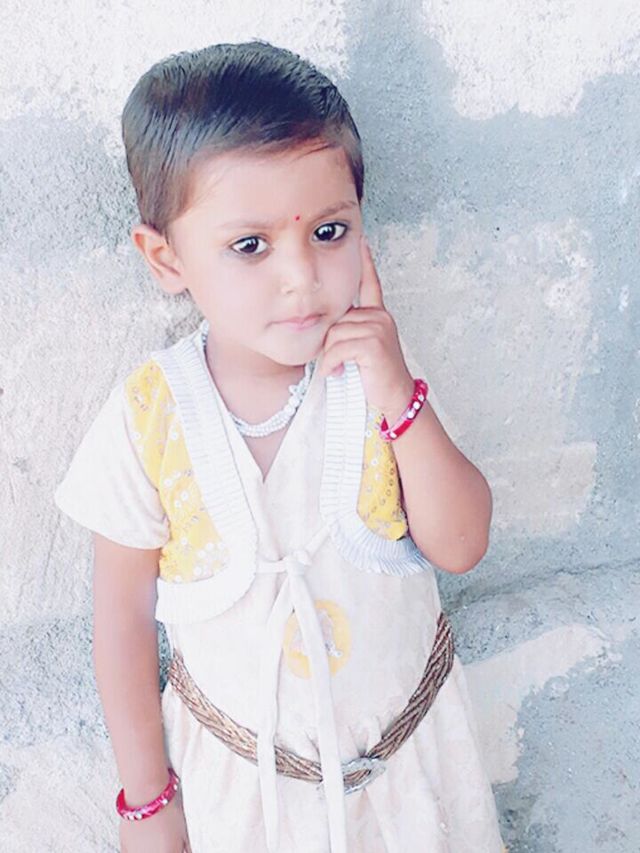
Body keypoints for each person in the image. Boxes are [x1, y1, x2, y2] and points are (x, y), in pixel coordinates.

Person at [54, 40, 507, 853]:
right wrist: (147, 804)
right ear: (166, 258)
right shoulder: (150, 417)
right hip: (245, 802)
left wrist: (399, 394)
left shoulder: (378, 379)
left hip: (408, 785)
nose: (302, 276)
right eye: (251, 246)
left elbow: (463, 543)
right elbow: (121, 622)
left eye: (330, 231)